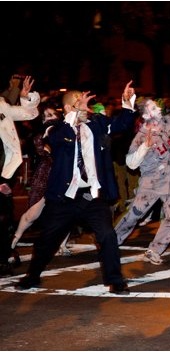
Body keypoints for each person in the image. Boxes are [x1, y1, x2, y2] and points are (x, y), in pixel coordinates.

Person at [15, 82, 136, 294]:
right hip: (64, 197)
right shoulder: (57, 127)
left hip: (92, 196)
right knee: (46, 240)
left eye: (87, 102)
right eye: (79, 102)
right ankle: (32, 276)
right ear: (69, 108)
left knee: (107, 235)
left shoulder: (97, 123)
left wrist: (127, 102)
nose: (86, 106)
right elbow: (58, 140)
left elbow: (122, 125)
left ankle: (115, 281)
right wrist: (74, 118)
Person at [114, 80, 170, 265]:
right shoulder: (142, 136)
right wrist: (145, 146)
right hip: (151, 185)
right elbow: (131, 163)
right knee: (134, 216)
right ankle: (111, 242)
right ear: (145, 115)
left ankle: (155, 250)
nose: (158, 109)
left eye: (157, 106)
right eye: (153, 108)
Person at [0, 75, 40, 276]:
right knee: (3, 214)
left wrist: (24, 97)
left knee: (5, 214)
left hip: (3, 171)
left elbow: (28, 113)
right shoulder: (2, 106)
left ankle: (4, 254)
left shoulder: (2, 106)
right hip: (2, 173)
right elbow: (28, 114)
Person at [11, 101, 62, 250]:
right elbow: (47, 154)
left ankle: (62, 244)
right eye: (46, 116)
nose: (50, 118)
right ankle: (14, 239)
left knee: (66, 213)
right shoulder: (41, 136)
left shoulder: (65, 131)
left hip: (63, 176)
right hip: (46, 176)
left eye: (52, 114)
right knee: (32, 214)